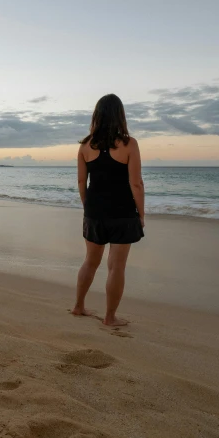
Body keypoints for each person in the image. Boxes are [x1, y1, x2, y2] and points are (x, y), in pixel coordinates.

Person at [71, 94, 144, 326]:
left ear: (97, 115)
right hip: (122, 212)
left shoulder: (85, 146)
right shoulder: (129, 144)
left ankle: (78, 306)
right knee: (116, 266)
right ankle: (110, 318)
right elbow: (136, 184)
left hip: (95, 211)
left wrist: (87, 207)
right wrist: (141, 214)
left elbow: (82, 183)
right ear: (120, 115)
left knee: (90, 262)